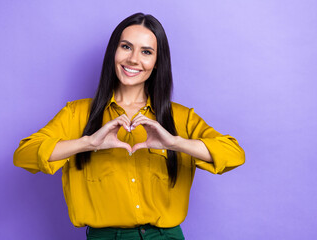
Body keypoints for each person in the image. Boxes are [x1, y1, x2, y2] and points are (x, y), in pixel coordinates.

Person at [13, 12, 245, 240]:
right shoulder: (77, 114)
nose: (134, 59)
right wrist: (88, 142)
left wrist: (175, 142)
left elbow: (234, 154)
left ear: (156, 62)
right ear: (113, 52)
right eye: (126, 47)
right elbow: (24, 155)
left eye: (146, 52)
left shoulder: (180, 117)